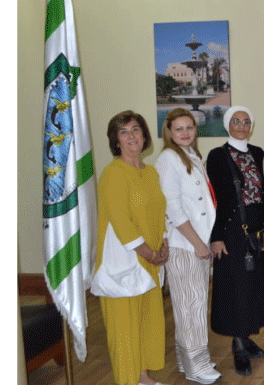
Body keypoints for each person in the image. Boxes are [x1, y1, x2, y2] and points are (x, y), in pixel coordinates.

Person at [94, 111, 169, 385]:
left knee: (146, 323)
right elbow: (122, 221)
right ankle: (127, 381)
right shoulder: (112, 174)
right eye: (123, 132)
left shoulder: (150, 173)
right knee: (124, 329)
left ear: (145, 135)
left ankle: (143, 378)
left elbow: (158, 211)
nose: (131, 136)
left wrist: (164, 243)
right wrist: (149, 252)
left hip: (150, 260)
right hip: (124, 264)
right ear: (115, 140)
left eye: (135, 129)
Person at [205, 106, 264, 376]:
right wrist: (216, 236)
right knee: (235, 287)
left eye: (246, 121)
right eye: (236, 121)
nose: (242, 125)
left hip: (255, 229)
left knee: (253, 286)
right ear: (227, 125)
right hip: (230, 231)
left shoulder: (258, 153)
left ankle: (246, 336)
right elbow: (214, 200)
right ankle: (237, 346)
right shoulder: (217, 156)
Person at [156, 108, 221, 384]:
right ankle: (198, 367)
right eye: (179, 128)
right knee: (191, 306)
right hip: (186, 244)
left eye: (189, 127)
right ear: (169, 133)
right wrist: (197, 243)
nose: (185, 133)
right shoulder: (169, 159)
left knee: (189, 305)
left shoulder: (193, 156)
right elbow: (172, 206)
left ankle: (187, 361)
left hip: (197, 243)